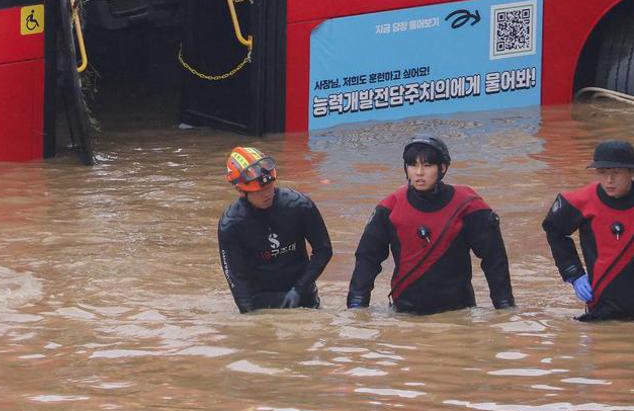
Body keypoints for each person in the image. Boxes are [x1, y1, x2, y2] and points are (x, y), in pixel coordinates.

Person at [347, 135, 515, 315]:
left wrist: (504, 307)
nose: (419, 173)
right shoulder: (390, 206)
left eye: (427, 166)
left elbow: (494, 260)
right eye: (413, 165)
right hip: (405, 314)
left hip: (458, 314)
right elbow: (367, 259)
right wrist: (357, 305)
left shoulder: (469, 205)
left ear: (442, 168)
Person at [217, 146, 332, 312]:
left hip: (302, 295)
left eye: (270, 186)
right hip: (260, 301)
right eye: (260, 191)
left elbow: (324, 250)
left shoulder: (299, 205)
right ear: (240, 190)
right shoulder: (231, 224)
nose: (268, 194)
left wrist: (299, 289)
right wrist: (248, 314)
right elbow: (235, 277)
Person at [542, 139, 634, 321]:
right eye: (602, 173)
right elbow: (553, 229)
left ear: (631, 173)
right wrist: (574, 274)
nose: (609, 180)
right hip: (602, 308)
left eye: (616, 173)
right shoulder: (579, 202)